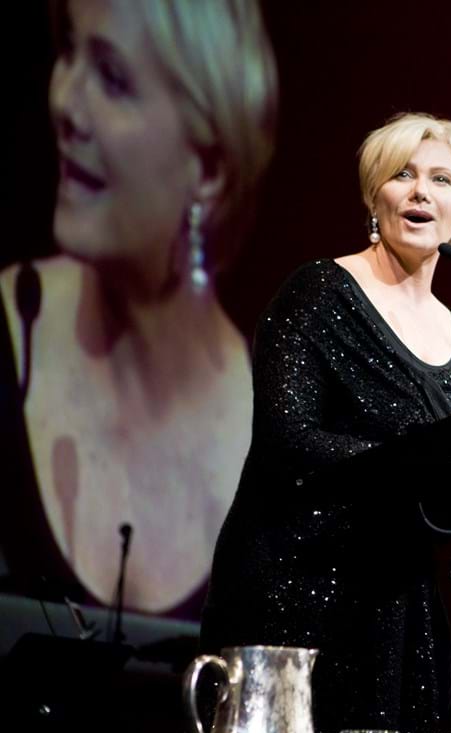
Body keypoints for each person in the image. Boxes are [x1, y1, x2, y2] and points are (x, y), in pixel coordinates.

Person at [200, 112, 451, 733]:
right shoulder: (317, 292)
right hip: (295, 590)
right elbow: (287, 439)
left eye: (441, 179)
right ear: (373, 196)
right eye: (402, 175)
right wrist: (412, 461)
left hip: (397, 604)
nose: (419, 192)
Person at [0, 0, 278, 617]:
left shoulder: (278, 445)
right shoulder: (7, 329)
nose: (65, 102)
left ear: (206, 168)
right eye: (69, 51)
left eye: (114, 79)